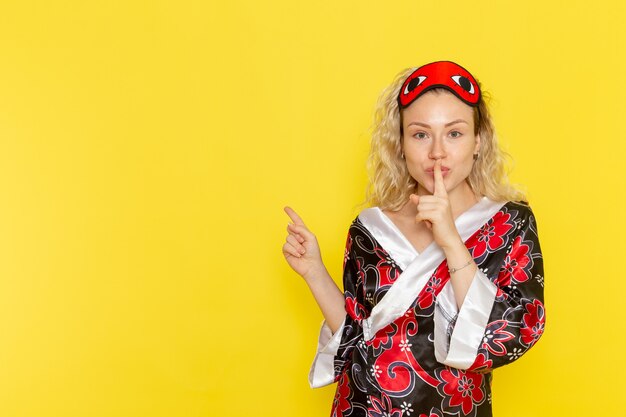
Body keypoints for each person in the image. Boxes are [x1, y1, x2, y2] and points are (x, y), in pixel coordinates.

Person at [282, 60, 545, 417]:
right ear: (401, 145)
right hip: (363, 406)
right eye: (421, 134)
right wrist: (314, 271)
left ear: (478, 141)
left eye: (454, 133)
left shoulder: (508, 223)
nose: (437, 151)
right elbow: (355, 335)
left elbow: (516, 332)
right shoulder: (371, 228)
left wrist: (451, 240)